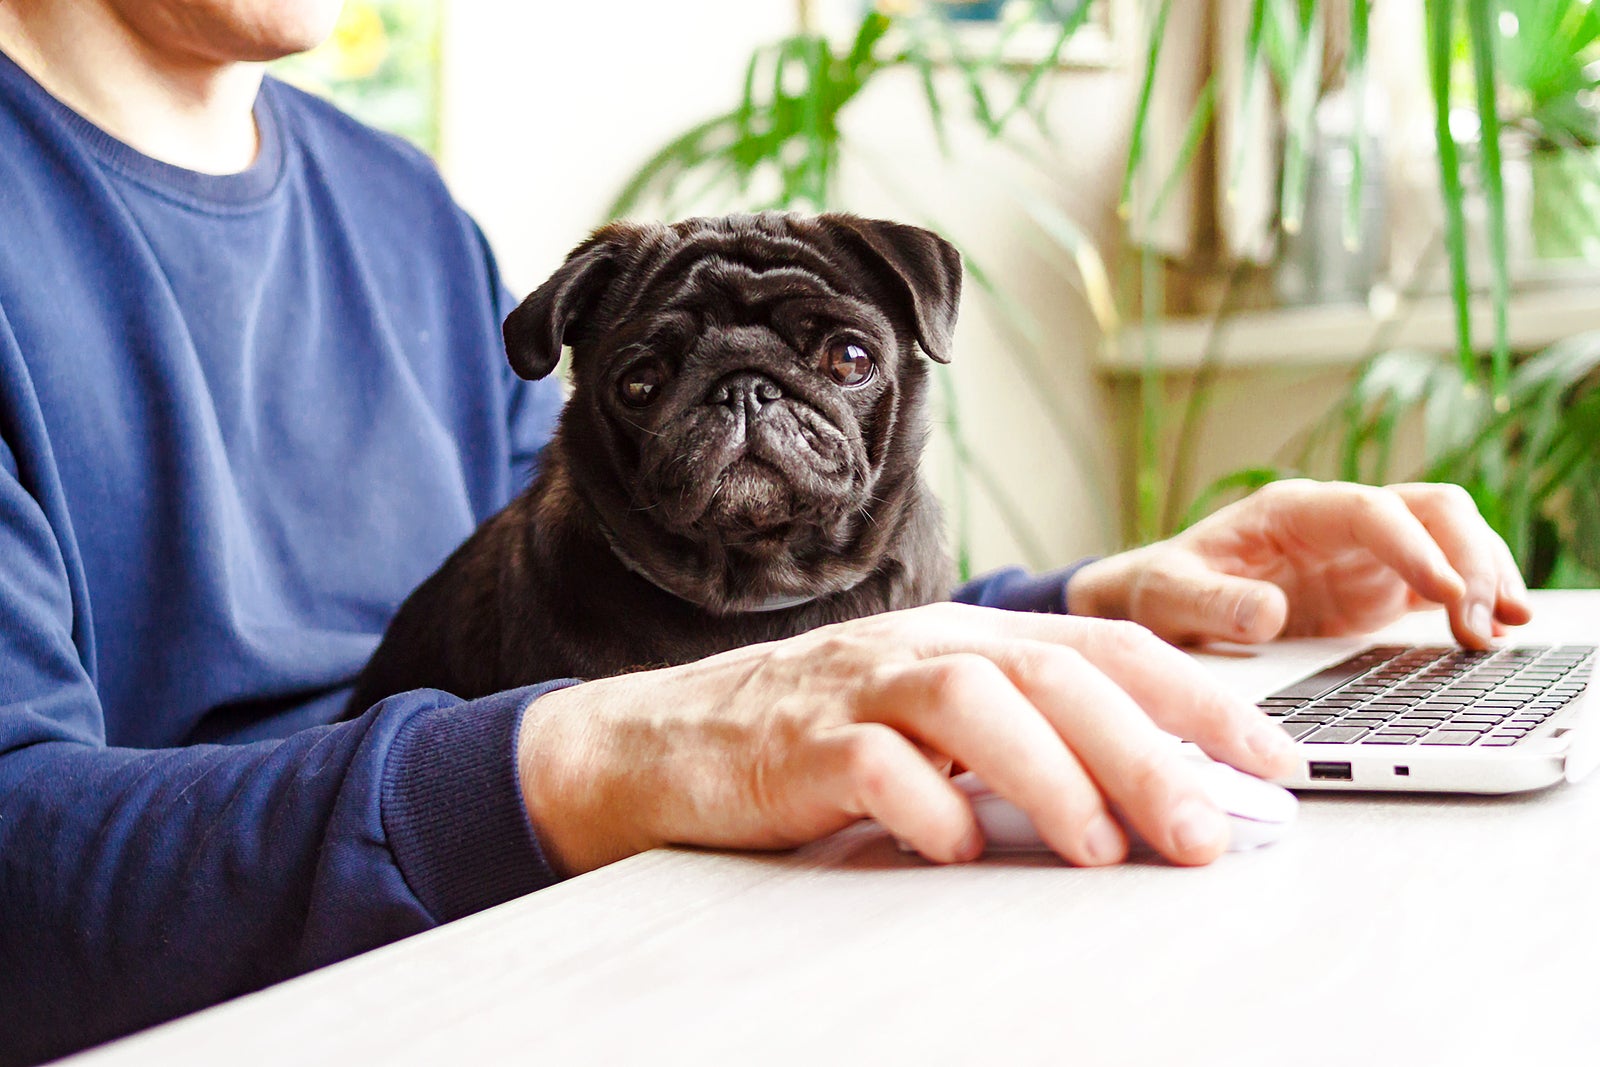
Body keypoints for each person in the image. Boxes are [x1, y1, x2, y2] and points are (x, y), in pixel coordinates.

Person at [0, 2, 1533, 1063]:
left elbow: (658, 615)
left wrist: (1089, 602)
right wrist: (597, 754)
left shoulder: (397, 210)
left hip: (584, 959)